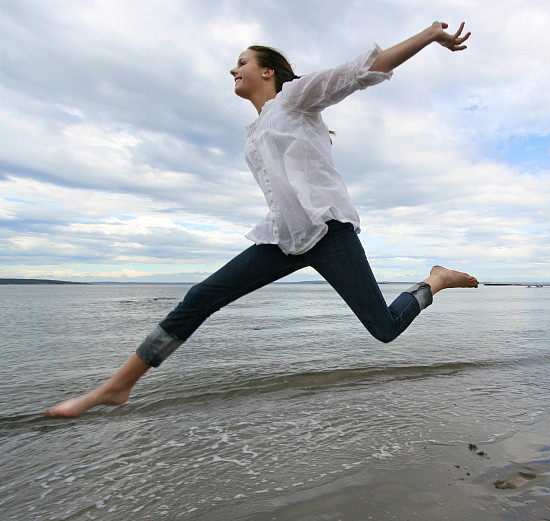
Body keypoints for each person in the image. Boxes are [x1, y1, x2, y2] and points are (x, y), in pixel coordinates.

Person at [44, 21, 476, 419]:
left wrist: (429, 36)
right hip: (284, 237)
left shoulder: (295, 99)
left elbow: (359, 71)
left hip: (328, 231)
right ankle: (117, 387)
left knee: (383, 329)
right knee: (200, 297)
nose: (233, 70)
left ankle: (434, 281)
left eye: (242, 63)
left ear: (267, 72)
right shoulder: (255, 132)